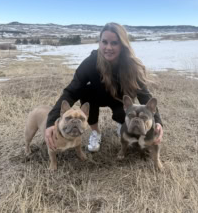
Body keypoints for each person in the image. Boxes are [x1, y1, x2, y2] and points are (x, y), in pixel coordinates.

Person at [45, 22, 163, 152]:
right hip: (96, 98)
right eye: (104, 42)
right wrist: (51, 122)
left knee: (124, 114)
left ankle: (122, 125)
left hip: (120, 99)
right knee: (85, 92)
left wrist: (157, 122)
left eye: (114, 43)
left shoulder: (131, 65)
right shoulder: (90, 63)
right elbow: (71, 92)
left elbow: (144, 95)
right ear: (99, 42)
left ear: (122, 45)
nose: (108, 47)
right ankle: (96, 132)